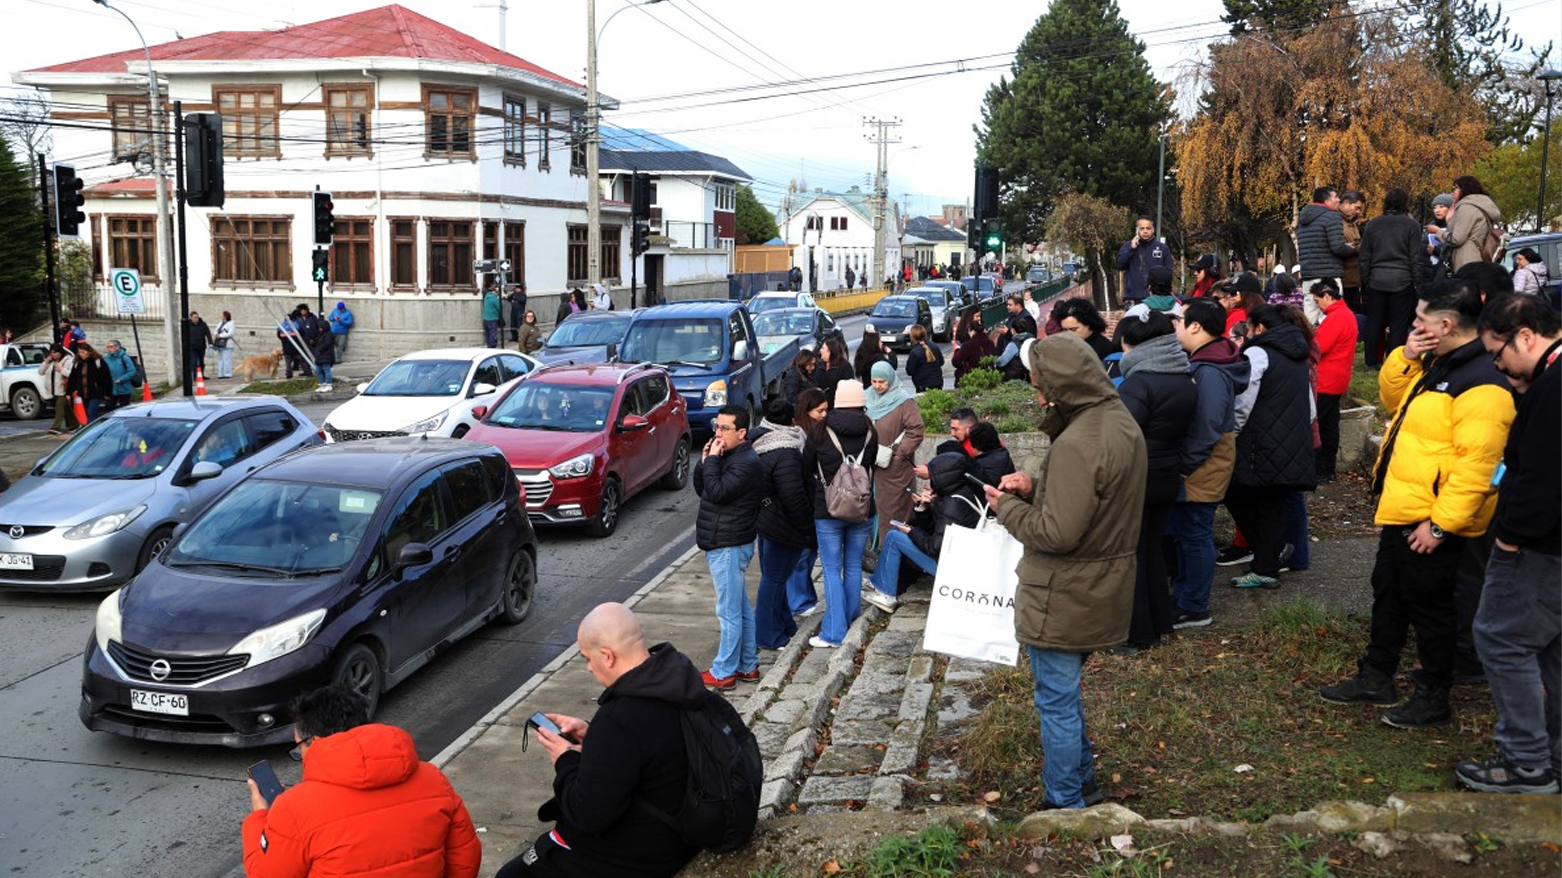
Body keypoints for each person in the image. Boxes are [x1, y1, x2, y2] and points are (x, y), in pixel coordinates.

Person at [1319, 279, 1515, 728]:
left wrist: (1441, 525)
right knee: (1389, 593)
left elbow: (1478, 468)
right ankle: (1376, 675)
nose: (1412, 324)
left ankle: (1434, 694)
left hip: (1432, 518)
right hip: (1404, 507)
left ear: (1446, 325)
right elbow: (1395, 402)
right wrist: (1405, 356)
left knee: (1432, 608)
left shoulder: (1483, 381)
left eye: (1420, 319)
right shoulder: (1437, 364)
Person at [983, 332, 1147, 809]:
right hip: (1101, 583)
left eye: (1041, 387)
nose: (1037, 397)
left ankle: (1065, 802)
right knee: (1065, 697)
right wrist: (1037, 485)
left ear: (1062, 388)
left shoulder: (1078, 442)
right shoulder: (1118, 423)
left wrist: (1006, 507)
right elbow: (1096, 500)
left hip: (1063, 591)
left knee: (1056, 703)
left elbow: (1057, 534)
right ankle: (1083, 785)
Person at [497, 605, 711, 878]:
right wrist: (592, 734)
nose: (588, 668)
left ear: (607, 656)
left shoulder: (620, 717)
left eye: (587, 658)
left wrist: (565, 758)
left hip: (645, 853)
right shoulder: (679, 682)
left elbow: (587, 814)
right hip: (683, 826)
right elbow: (649, 746)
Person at [1455, 294, 1561, 793]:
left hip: (1539, 547)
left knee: (1502, 638)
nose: (1496, 365)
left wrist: (1512, 539)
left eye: (1499, 352)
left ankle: (1524, 762)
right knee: (1552, 649)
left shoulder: (1553, 389)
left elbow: (1541, 476)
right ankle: (1554, 757)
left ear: (1526, 335)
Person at [242, 685, 481, 878]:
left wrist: (261, 818)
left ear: (312, 741)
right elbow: (465, 858)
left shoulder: (294, 807)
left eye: (298, 747)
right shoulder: (433, 779)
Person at [1114, 307, 1198, 652]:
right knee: (1151, 550)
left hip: (1137, 478)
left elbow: (1120, 433)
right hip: (1167, 475)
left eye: (1125, 345)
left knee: (1131, 555)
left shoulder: (1139, 383)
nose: (1122, 352)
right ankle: (1160, 622)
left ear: (1138, 346)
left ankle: (1138, 634)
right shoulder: (1183, 377)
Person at [1225, 304, 1317, 589]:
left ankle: (1267, 562)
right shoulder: (1299, 354)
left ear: (1260, 328)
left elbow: (1244, 399)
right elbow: (1311, 407)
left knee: (1234, 492)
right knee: (1272, 505)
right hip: (1292, 441)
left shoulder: (1257, 352)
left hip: (1260, 443)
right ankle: (1269, 557)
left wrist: (1232, 431)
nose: (1248, 333)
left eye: (1249, 327)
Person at [1171, 298, 1249, 629]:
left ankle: (1195, 606)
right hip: (1202, 459)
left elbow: (1208, 424)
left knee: (1195, 533)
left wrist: (1186, 464)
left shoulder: (1210, 370)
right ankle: (1185, 597)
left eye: (1180, 320)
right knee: (1188, 531)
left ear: (1196, 326)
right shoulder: (1211, 360)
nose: (1176, 326)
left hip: (1203, 462)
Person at [692, 405, 764, 689]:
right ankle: (748, 665)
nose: (718, 433)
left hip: (729, 544)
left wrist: (711, 461)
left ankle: (723, 672)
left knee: (728, 611)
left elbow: (719, 493)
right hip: (722, 540)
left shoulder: (747, 462)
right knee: (741, 607)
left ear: (742, 432)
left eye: (724, 428)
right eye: (716, 427)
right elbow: (704, 490)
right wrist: (704, 462)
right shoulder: (727, 455)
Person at [803, 379, 877, 649]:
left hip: (828, 508)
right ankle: (850, 618)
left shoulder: (822, 429)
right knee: (854, 565)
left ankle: (834, 633)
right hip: (862, 507)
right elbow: (872, 466)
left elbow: (807, 464)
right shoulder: (870, 429)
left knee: (832, 569)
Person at [864, 452, 983, 610]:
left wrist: (910, 531)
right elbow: (938, 528)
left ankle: (886, 594)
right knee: (898, 535)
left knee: (894, 536)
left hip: (951, 567)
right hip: (963, 560)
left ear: (942, 478)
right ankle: (876, 582)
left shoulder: (951, 504)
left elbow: (933, 547)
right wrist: (924, 508)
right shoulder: (962, 493)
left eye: (933, 475)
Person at [751, 398, 815, 650]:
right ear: (791, 422)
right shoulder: (786, 451)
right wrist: (807, 527)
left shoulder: (759, 439)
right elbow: (793, 496)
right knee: (775, 580)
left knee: (773, 577)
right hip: (783, 525)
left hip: (765, 520)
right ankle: (768, 635)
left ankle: (785, 625)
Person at [1359, 187, 1428, 368]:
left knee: (1374, 322)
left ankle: (1370, 361)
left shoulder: (1373, 224)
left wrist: (1366, 280)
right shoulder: (1411, 226)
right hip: (1402, 280)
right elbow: (1415, 257)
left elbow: (1364, 256)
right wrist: (1418, 285)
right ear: (1405, 204)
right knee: (1398, 324)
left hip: (1376, 279)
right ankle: (1392, 361)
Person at [866, 360, 924, 551]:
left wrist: (899, 455)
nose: (877, 386)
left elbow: (916, 429)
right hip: (872, 466)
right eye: (873, 381)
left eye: (881, 381)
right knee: (875, 510)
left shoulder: (903, 400)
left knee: (895, 511)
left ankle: (892, 553)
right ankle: (876, 550)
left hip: (895, 470)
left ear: (890, 379)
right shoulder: (868, 397)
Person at [1308, 279, 1357, 482]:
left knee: (1319, 426)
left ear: (1328, 296)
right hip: (1337, 378)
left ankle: (1319, 469)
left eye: (1317, 301)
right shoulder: (1344, 315)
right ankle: (1326, 471)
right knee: (1329, 426)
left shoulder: (1336, 317)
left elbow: (1319, 347)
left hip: (1326, 380)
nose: (1317, 305)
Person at [787, 388, 830, 617]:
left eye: (826, 410)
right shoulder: (798, 436)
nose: (823, 415)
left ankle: (803, 598)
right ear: (806, 411)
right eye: (819, 411)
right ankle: (799, 602)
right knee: (801, 556)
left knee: (808, 553)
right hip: (804, 502)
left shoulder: (816, 431)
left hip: (815, 500)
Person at [1297, 185, 1356, 326]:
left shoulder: (1303, 218)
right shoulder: (1332, 216)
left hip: (1309, 276)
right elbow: (1337, 247)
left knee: (1310, 317)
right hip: (1328, 276)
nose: (1339, 200)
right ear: (1327, 201)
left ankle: (1311, 345)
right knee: (1331, 317)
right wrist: (1353, 249)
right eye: (1335, 196)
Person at [1429, 176, 1501, 273]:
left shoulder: (1467, 206)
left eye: (1456, 188)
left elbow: (1457, 238)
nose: (1453, 192)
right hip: (1476, 256)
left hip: (1465, 260)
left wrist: (1437, 232)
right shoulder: (1480, 204)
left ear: (1465, 188)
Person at [1115, 215, 1174, 303]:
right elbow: (1120, 265)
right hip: (1133, 298)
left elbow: (1169, 271)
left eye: (1148, 228)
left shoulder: (1162, 248)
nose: (1145, 231)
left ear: (1153, 229)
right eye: (1142, 228)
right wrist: (1131, 249)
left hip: (1156, 299)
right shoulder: (1128, 246)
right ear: (1137, 230)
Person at [1053, 297, 1117, 362]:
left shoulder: (1107, 350)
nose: (1068, 334)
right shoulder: (1061, 346)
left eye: (1073, 329)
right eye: (1065, 330)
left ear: (1088, 323)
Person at [68, 342, 113, 423]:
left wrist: (107, 393)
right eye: (79, 352)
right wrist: (69, 392)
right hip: (83, 392)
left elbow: (107, 378)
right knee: (87, 413)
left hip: (95, 392)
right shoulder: (78, 363)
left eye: (83, 352)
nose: (81, 354)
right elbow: (73, 378)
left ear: (89, 352)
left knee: (91, 412)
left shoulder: (98, 362)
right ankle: (93, 428)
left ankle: (91, 431)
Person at [1338, 190, 1366, 315]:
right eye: (1357, 208)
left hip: (1353, 279)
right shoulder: (1336, 221)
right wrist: (1354, 248)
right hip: (1342, 279)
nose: (1359, 212)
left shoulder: (1351, 223)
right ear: (1346, 203)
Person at [39, 344, 75, 436]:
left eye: (55, 353)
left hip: (63, 388)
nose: (53, 355)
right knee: (67, 409)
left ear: (60, 352)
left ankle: (56, 427)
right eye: (51, 353)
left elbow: (72, 375)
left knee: (59, 408)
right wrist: (46, 362)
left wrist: (62, 370)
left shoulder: (68, 360)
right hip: (53, 389)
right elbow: (40, 372)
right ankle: (75, 424)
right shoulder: (50, 362)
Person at [951, 313, 993, 385]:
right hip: (987, 378)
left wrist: (956, 349)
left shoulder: (968, 345)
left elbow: (956, 362)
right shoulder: (990, 343)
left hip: (970, 379)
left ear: (972, 331)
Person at [815, 336, 854, 406]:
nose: (820, 350)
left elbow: (849, 386)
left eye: (823, 348)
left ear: (830, 351)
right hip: (821, 403)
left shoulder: (844, 366)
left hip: (838, 403)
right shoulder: (819, 364)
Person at [904, 324, 944, 392]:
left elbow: (909, 371)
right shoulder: (934, 346)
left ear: (912, 337)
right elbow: (941, 362)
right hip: (937, 382)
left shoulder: (915, 352)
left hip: (922, 384)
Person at [103, 339, 137, 410]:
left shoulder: (124, 357)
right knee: (109, 408)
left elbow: (132, 371)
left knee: (124, 409)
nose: (109, 349)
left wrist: (121, 379)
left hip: (124, 388)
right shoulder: (106, 358)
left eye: (111, 347)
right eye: (108, 347)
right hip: (111, 388)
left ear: (117, 347)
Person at [184, 311, 213, 386]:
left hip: (201, 346)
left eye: (197, 317)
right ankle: (195, 376)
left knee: (201, 362)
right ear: (191, 318)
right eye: (195, 317)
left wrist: (210, 343)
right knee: (194, 363)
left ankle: (201, 375)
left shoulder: (203, 324)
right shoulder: (188, 325)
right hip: (192, 347)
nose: (196, 318)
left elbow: (208, 333)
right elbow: (185, 335)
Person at [278, 309, 306, 379]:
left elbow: (279, 336)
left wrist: (284, 340)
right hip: (296, 347)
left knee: (288, 362)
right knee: (302, 359)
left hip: (286, 347)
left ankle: (288, 374)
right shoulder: (296, 325)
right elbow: (302, 333)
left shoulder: (281, 327)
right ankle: (307, 371)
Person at [310, 319, 336, 390]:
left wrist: (320, 350)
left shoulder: (329, 334)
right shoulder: (320, 335)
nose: (319, 329)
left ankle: (328, 384)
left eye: (320, 327)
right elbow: (316, 343)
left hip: (326, 355)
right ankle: (322, 384)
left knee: (326, 370)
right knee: (318, 370)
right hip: (319, 356)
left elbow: (327, 343)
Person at [213, 311, 236, 378]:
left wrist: (220, 335)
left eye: (222, 315)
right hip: (220, 343)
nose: (221, 317)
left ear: (225, 316)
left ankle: (227, 373)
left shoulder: (231, 323)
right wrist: (216, 334)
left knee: (226, 359)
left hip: (227, 344)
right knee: (220, 359)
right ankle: (221, 374)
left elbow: (230, 333)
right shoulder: (220, 323)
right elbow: (215, 331)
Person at [482, 282, 503, 347]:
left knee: (487, 332)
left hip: (485, 318)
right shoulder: (494, 299)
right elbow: (500, 307)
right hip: (493, 318)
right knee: (492, 333)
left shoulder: (487, 296)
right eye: (498, 292)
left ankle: (488, 344)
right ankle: (491, 345)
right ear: (495, 292)